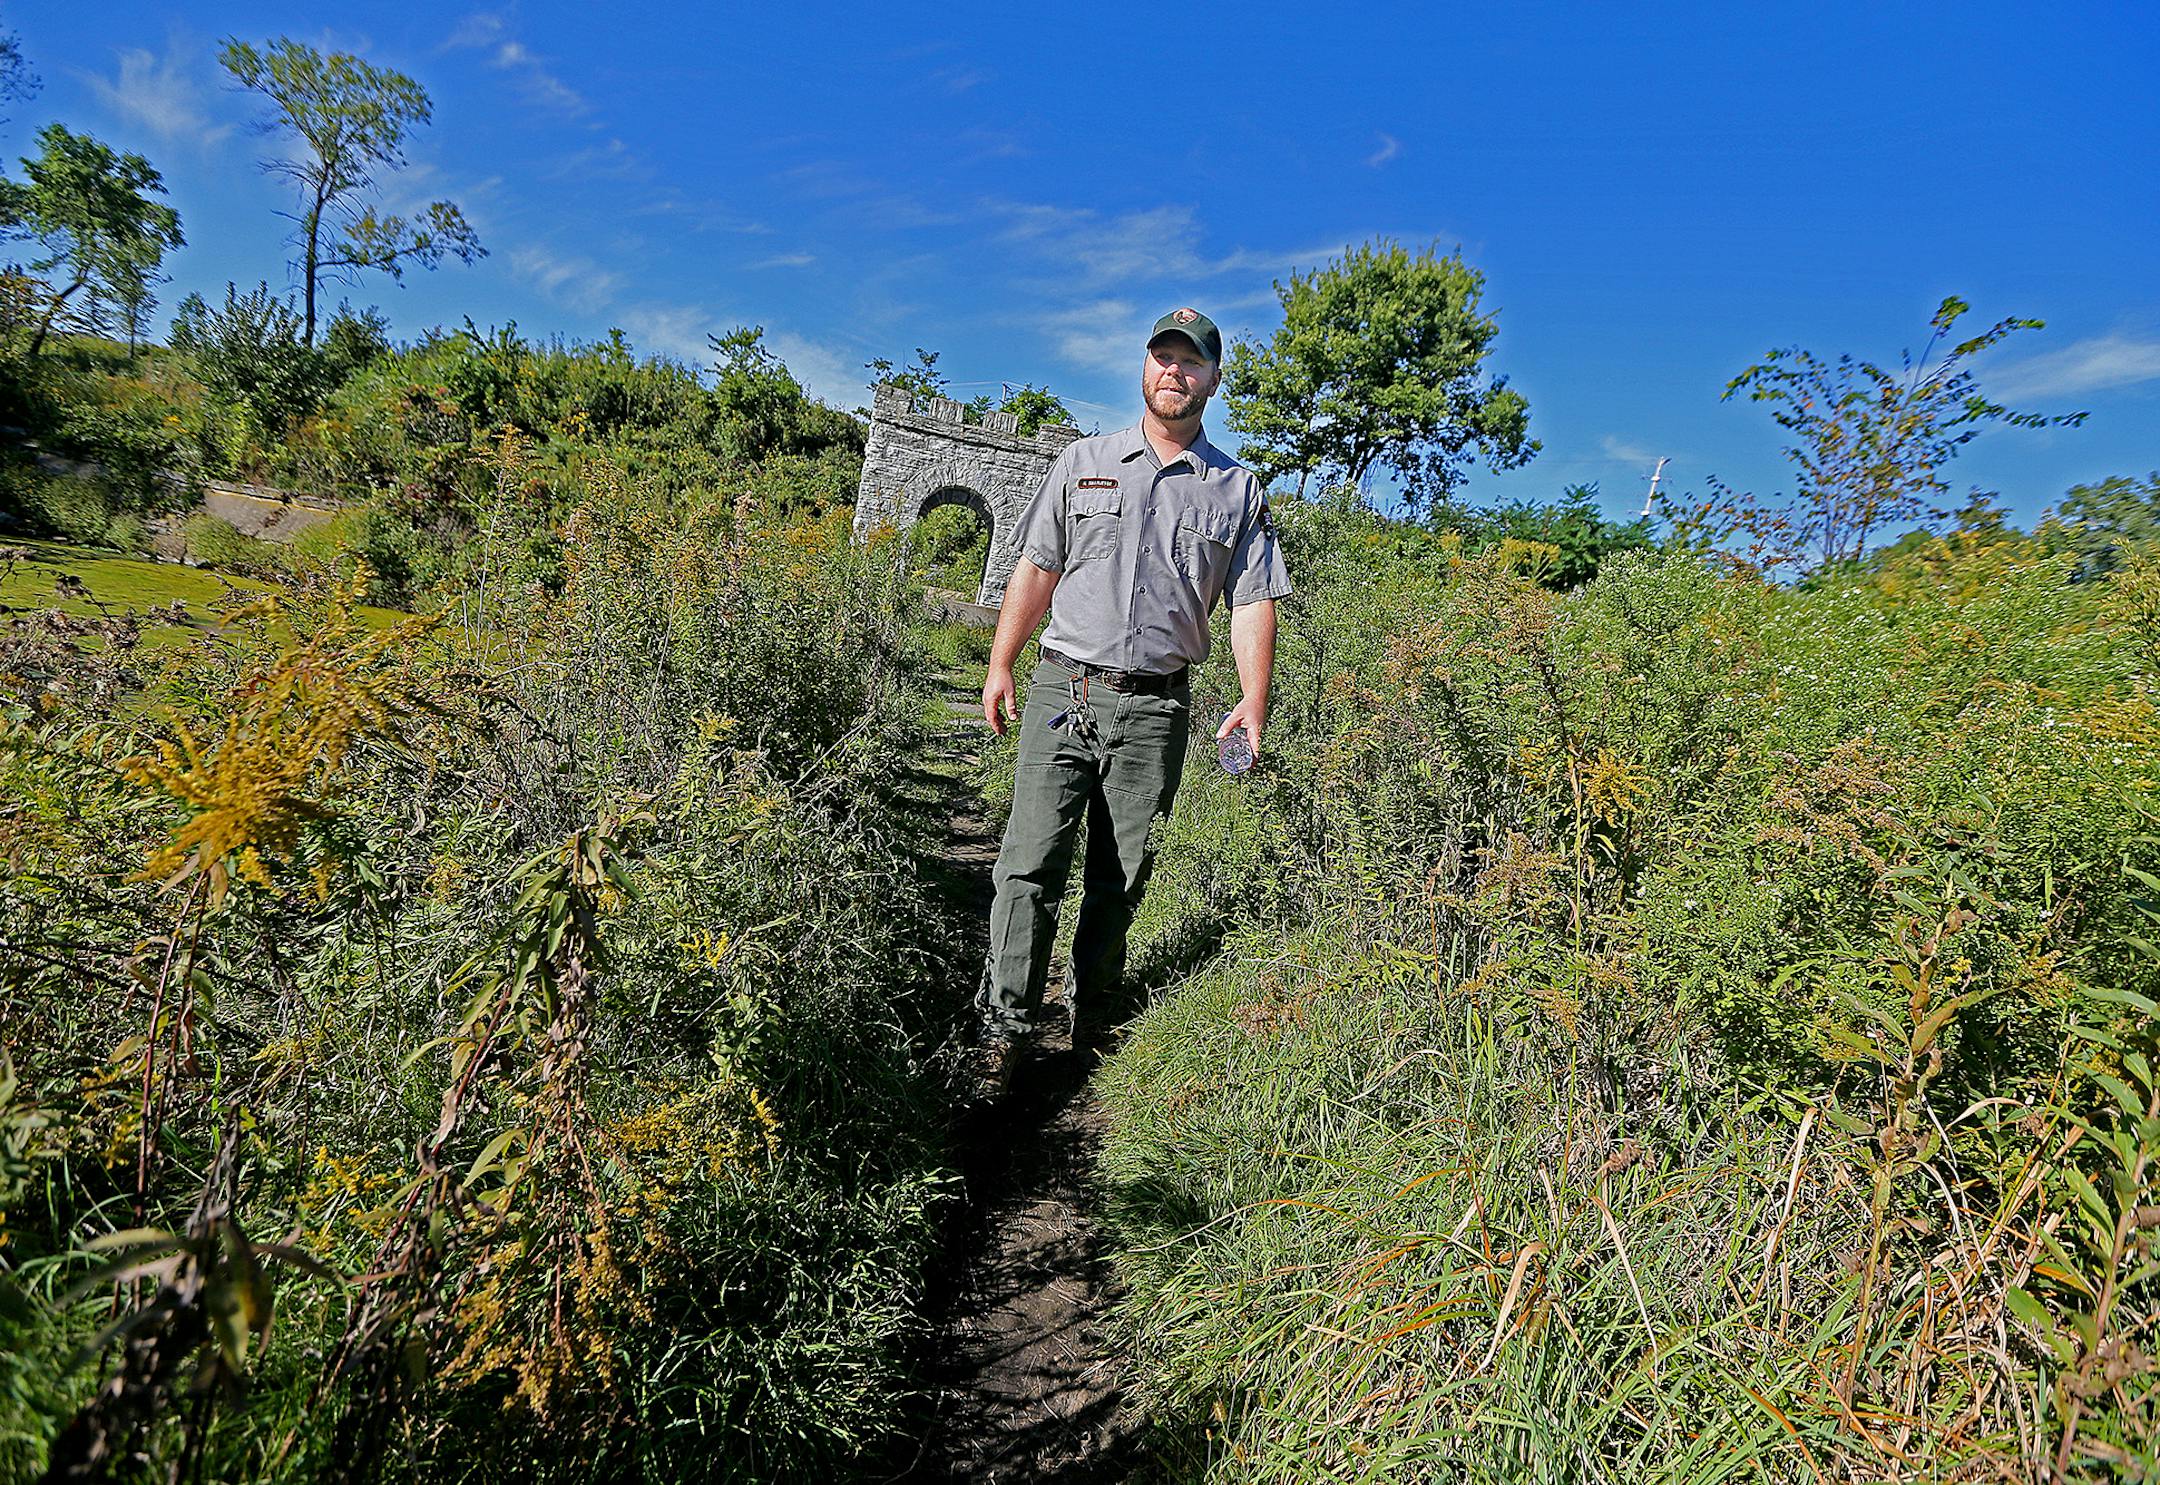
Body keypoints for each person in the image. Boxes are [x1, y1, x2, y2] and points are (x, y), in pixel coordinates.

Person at [973, 307, 1293, 1093]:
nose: (1174, 372)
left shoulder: (1235, 489)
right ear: (1143, 368)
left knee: (1122, 871)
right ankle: (1003, 1028)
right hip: (1063, 689)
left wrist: (1254, 701)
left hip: (1156, 710)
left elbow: (1253, 601)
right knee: (1028, 862)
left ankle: (1091, 1026)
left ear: (1214, 380)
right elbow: (1038, 565)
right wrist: (1000, 661)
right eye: (1163, 357)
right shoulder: (1084, 460)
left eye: (1191, 362)